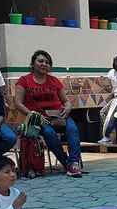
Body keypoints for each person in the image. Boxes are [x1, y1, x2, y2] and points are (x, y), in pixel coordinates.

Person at [14, 50, 83, 178]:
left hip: (59, 115)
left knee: (73, 130)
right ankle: (67, 163)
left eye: (47, 62)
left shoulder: (54, 80)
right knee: (49, 133)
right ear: (33, 64)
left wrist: (67, 109)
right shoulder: (24, 80)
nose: (44, 64)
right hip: (39, 119)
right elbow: (17, 103)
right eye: (40, 61)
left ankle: (74, 162)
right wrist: (33, 115)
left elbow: (66, 101)